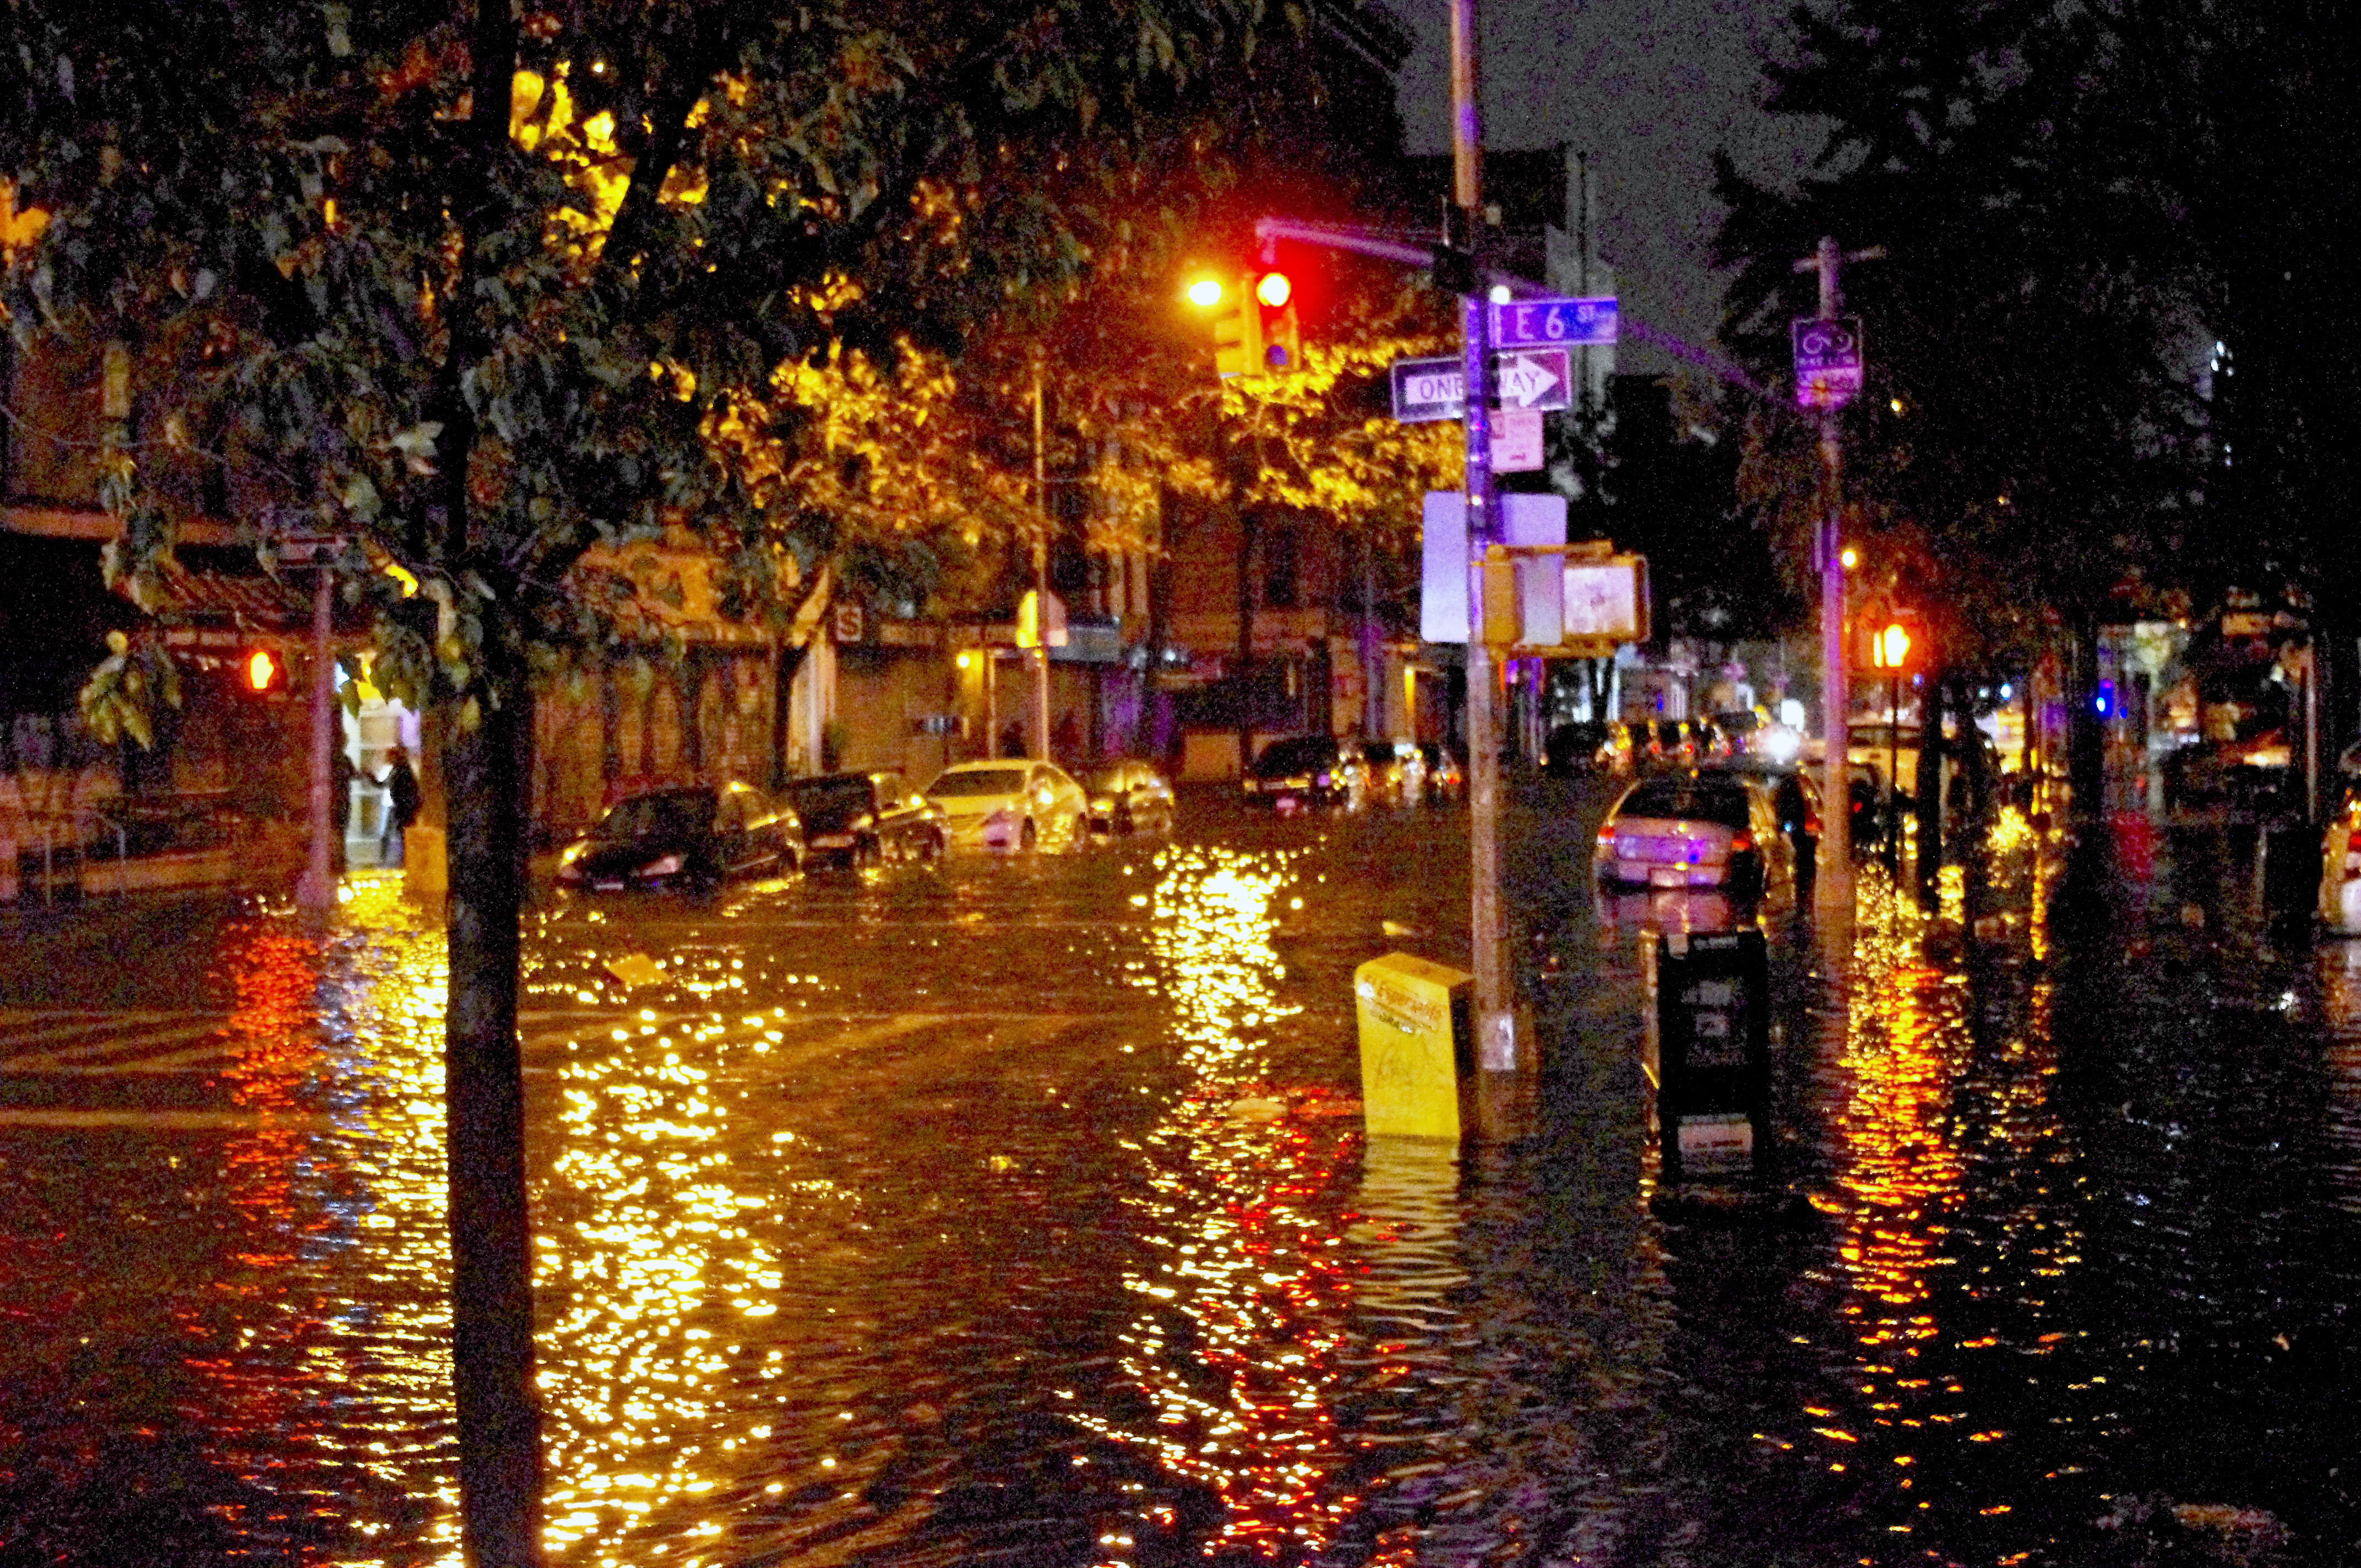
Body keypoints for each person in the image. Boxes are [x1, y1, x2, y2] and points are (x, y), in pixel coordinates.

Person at [379, 743, 420, 867]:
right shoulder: (400, 769)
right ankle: (406, 859)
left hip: (403, 806)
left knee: (403, 833)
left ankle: (407, 859)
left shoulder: (400, 770)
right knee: (402, 832)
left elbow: (389, 784)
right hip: (402, 806)